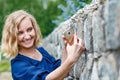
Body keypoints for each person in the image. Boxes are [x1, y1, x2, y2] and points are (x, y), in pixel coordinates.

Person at [1, 10, 85, 80]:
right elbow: (47, 79)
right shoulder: (18, 65)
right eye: (20, 33)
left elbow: (61, 71)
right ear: (12, 37)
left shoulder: (41, 52)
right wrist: (72, 58)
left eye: (29, 29)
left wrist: (65, 48)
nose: (27, 36)